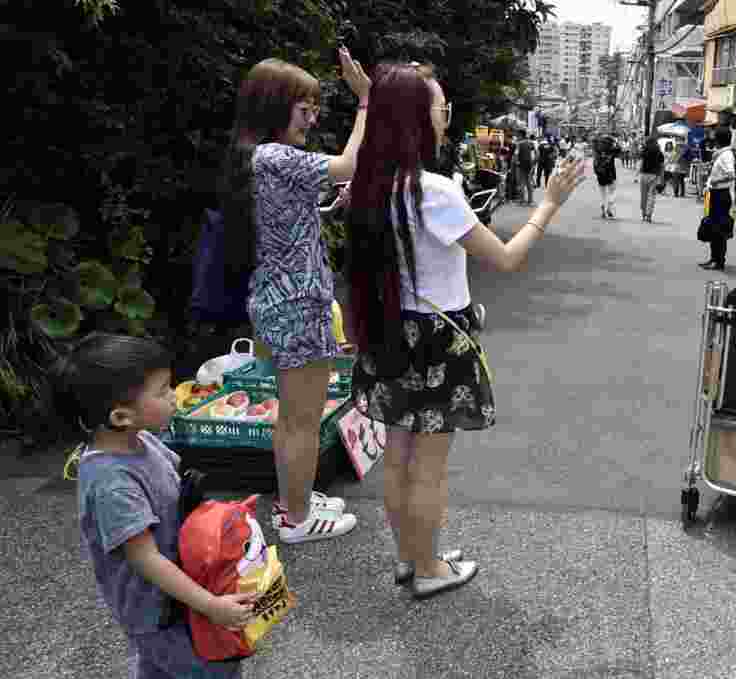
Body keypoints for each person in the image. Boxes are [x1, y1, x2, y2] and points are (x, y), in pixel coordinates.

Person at [345, 63, 585, 599]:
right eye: (438, 106)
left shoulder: (367, 184)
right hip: (437, 339)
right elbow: (504, 259)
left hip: (387, 331)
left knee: (398, 457)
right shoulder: (435, 190)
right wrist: (547, 205)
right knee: (428, 468)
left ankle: (412, 555)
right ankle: (429, 570)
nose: (444, 117)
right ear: (415, 119)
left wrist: (369, 94)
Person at [218, 49, 367, 542]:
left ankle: (295, 498)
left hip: (281, 299)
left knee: (294, 414)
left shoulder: (256, 157)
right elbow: (349, 162)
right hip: (298, 305)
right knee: (303, 418)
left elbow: (283, 229)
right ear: (274, 106)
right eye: (305, 108)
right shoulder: (277, 156)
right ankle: (297, 519)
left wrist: (329, 205)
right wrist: (366, 102)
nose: (313, 117)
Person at [63, 333, 259, 678]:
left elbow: (178, 485)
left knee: (161, 670)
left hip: (179, 594)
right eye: (163, 391)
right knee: (210, 669)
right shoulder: (113, 483)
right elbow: (146, 559)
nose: (174, 397)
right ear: (121, 416)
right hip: (159, 610)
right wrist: (211, 606)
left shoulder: (143, 440)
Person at [701, 126, 736, 270]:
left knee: (719, 229)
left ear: (719, 140)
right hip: (716, 194)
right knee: (712, 227)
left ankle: (719, 261)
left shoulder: (726, 155)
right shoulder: (721, 155)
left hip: (721, 195)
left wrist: (716, 181)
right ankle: (713, 258)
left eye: (714, 138)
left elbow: (731, 174)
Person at [593, 135, 621, 219]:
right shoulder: (612, 150)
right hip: (611, 173)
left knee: (602, 193)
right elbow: (619, 149)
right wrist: (616, 142)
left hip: (600, 173)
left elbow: (594, 142)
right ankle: (610, 204)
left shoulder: (598, 149)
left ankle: (603, 205)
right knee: (613, 191)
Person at [639, 135, 664, 222]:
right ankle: (649, 214)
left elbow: (641, 163)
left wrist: (637, 173)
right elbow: (661, 166)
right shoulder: (659, 152)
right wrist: (661, 178)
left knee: (644, 195)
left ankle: (643, 213)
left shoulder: (644, 151)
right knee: (651, 196)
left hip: (644, 175)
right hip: (654, 176)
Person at [515, 131, 536, 206]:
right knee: (529, 182)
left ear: (521, 135)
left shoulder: (519, 144)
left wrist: (517, 162)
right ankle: (530, 201)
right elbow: (536, 153)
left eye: (518, 135)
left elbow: (516, 154)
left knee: (522, 183)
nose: (517, 137)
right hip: (529, 164)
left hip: (521, 165)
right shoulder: (531, 143)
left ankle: (522, 200)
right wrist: (534, 163)